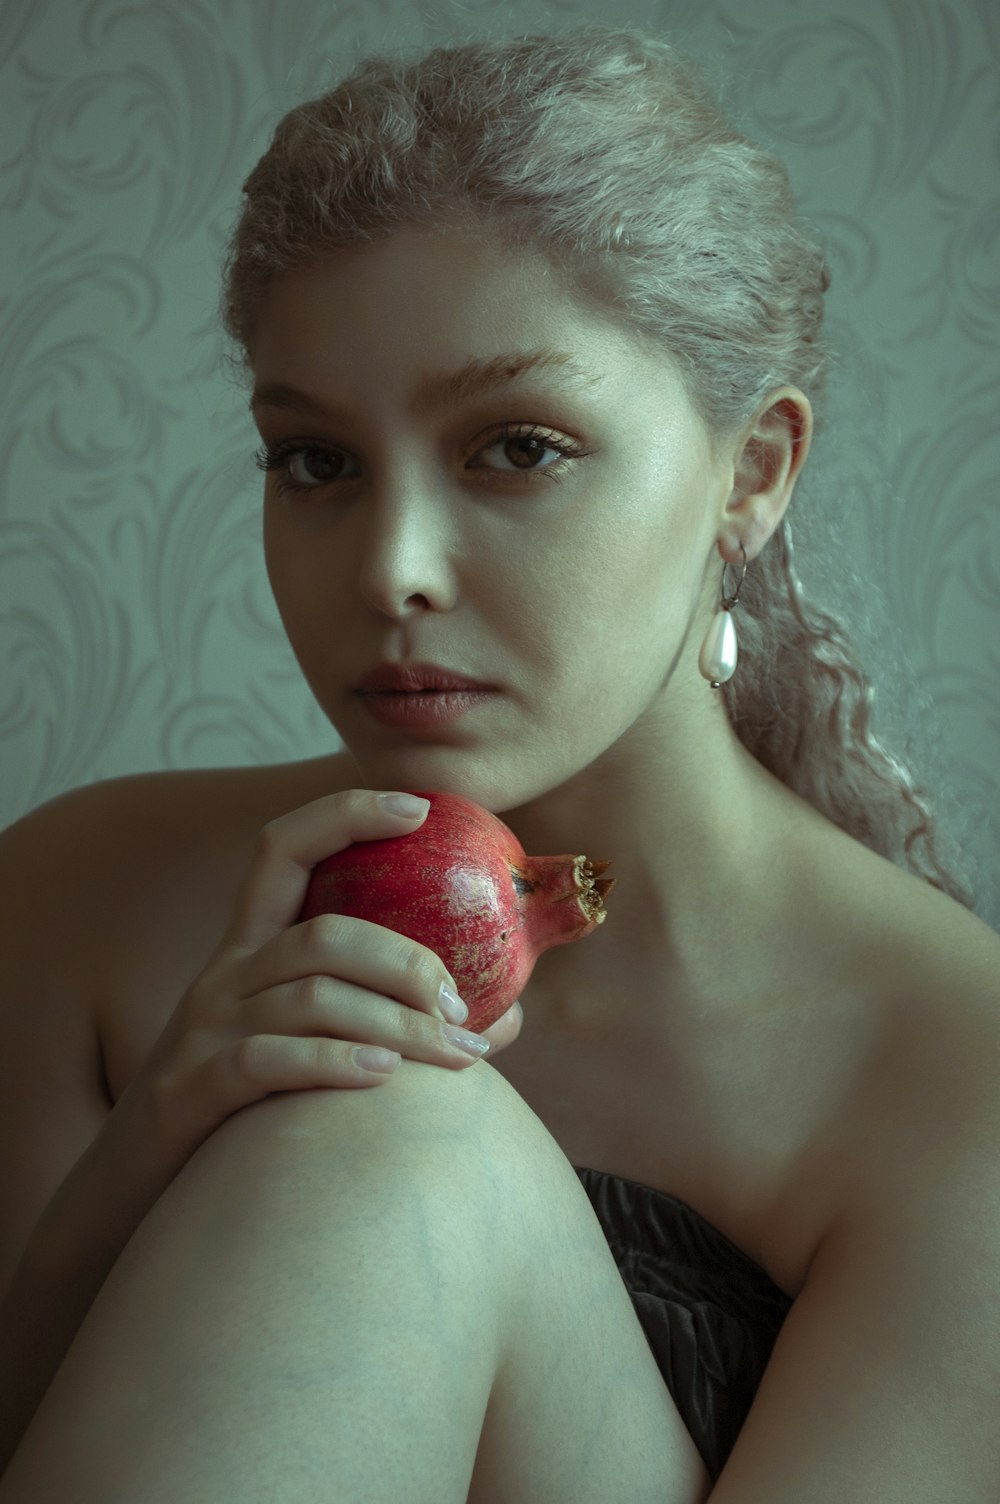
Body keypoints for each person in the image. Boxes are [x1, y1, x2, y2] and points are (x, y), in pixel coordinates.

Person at [0, 21, 997, 1503]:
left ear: (754, 471)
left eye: (516, 448)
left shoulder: (956, 1076)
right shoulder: (73, 898)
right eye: (315, 461)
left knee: (393, 1133)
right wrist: (156, 1141)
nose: (392, 567)